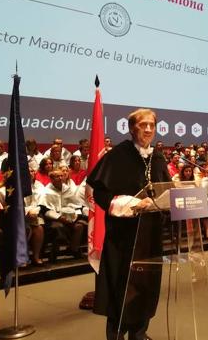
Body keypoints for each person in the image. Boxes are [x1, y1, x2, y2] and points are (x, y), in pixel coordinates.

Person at [86, 108, 171, 340]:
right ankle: (116, 335)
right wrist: (130, 204)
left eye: (152, 125)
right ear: (132, 128)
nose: (148, 129)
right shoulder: (117, 156)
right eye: (143, 125)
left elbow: (167, 190)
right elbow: (100, 193)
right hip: (124, 237)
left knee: (147, 285)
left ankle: (139, 333)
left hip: (151, 235)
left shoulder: (158, 157)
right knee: (121, 287)